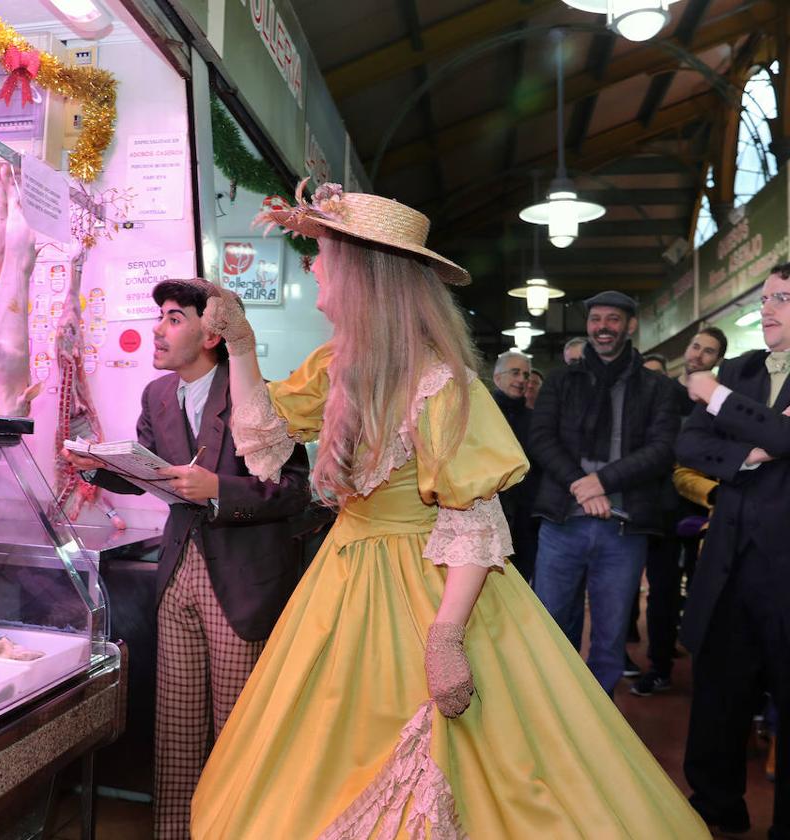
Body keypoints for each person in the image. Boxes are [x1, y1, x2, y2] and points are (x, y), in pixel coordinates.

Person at [189, 183, 707, 839]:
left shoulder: (442, 382)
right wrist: (240, 347)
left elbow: (474, 520)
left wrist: (445, 635)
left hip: (429, 585)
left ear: (362, 272)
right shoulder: (337, 365)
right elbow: (262, 447)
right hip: (343, 582)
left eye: (323, 253)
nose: (315, 266)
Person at [61, 278, 310, 839]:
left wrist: (218, 489)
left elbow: (297, 491)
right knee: (176, 724)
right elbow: (152, 473)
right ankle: (173, 832)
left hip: (242, 578)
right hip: (177, 573)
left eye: (175, 318)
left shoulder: (259, 394)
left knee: (238, 725)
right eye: (161, 317)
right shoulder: (157, 396)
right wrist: (96, 468)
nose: (158, 329)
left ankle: (238, 829)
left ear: (212, 334)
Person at [676, 264, 790, 837]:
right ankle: (716, 803)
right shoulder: (744, 367)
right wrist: (755, 452)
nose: (768, 308)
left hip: (787, 570)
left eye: (783, 298)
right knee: (718, 692)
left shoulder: (723, 383)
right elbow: (689, 441)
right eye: (766, 297)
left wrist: (718, 398)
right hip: (728, 561)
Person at [529, 291, 681, 696]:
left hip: (624, 529)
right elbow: (541, 439)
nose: (602, 328)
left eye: (612, 319)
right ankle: (553, 712)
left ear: (630, 325)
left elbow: (663, 449)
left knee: (611, 637)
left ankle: (601, 729)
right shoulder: (561, 380)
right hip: (562, 522)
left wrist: (604, 481)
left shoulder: (657, 388)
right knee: (551, 626)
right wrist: (583, 485)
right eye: (595, 319)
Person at [632, 327, 727, 698]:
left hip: (710, 508)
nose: (699, 354)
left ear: (717, 360)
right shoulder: (663, 393)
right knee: (662, 592)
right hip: (664, 510)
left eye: (709, 351)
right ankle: (659, 666)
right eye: (695, 346)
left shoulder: (722, 401)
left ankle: (712, 672)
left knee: (710, 594)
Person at [490, 350, 539, 583]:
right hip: (489, 512)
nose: (522, 379)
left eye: (526, 374)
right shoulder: (480, 413)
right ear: (497, 377)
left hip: (525, 517)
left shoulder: (537, 419)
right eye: (515, 372)